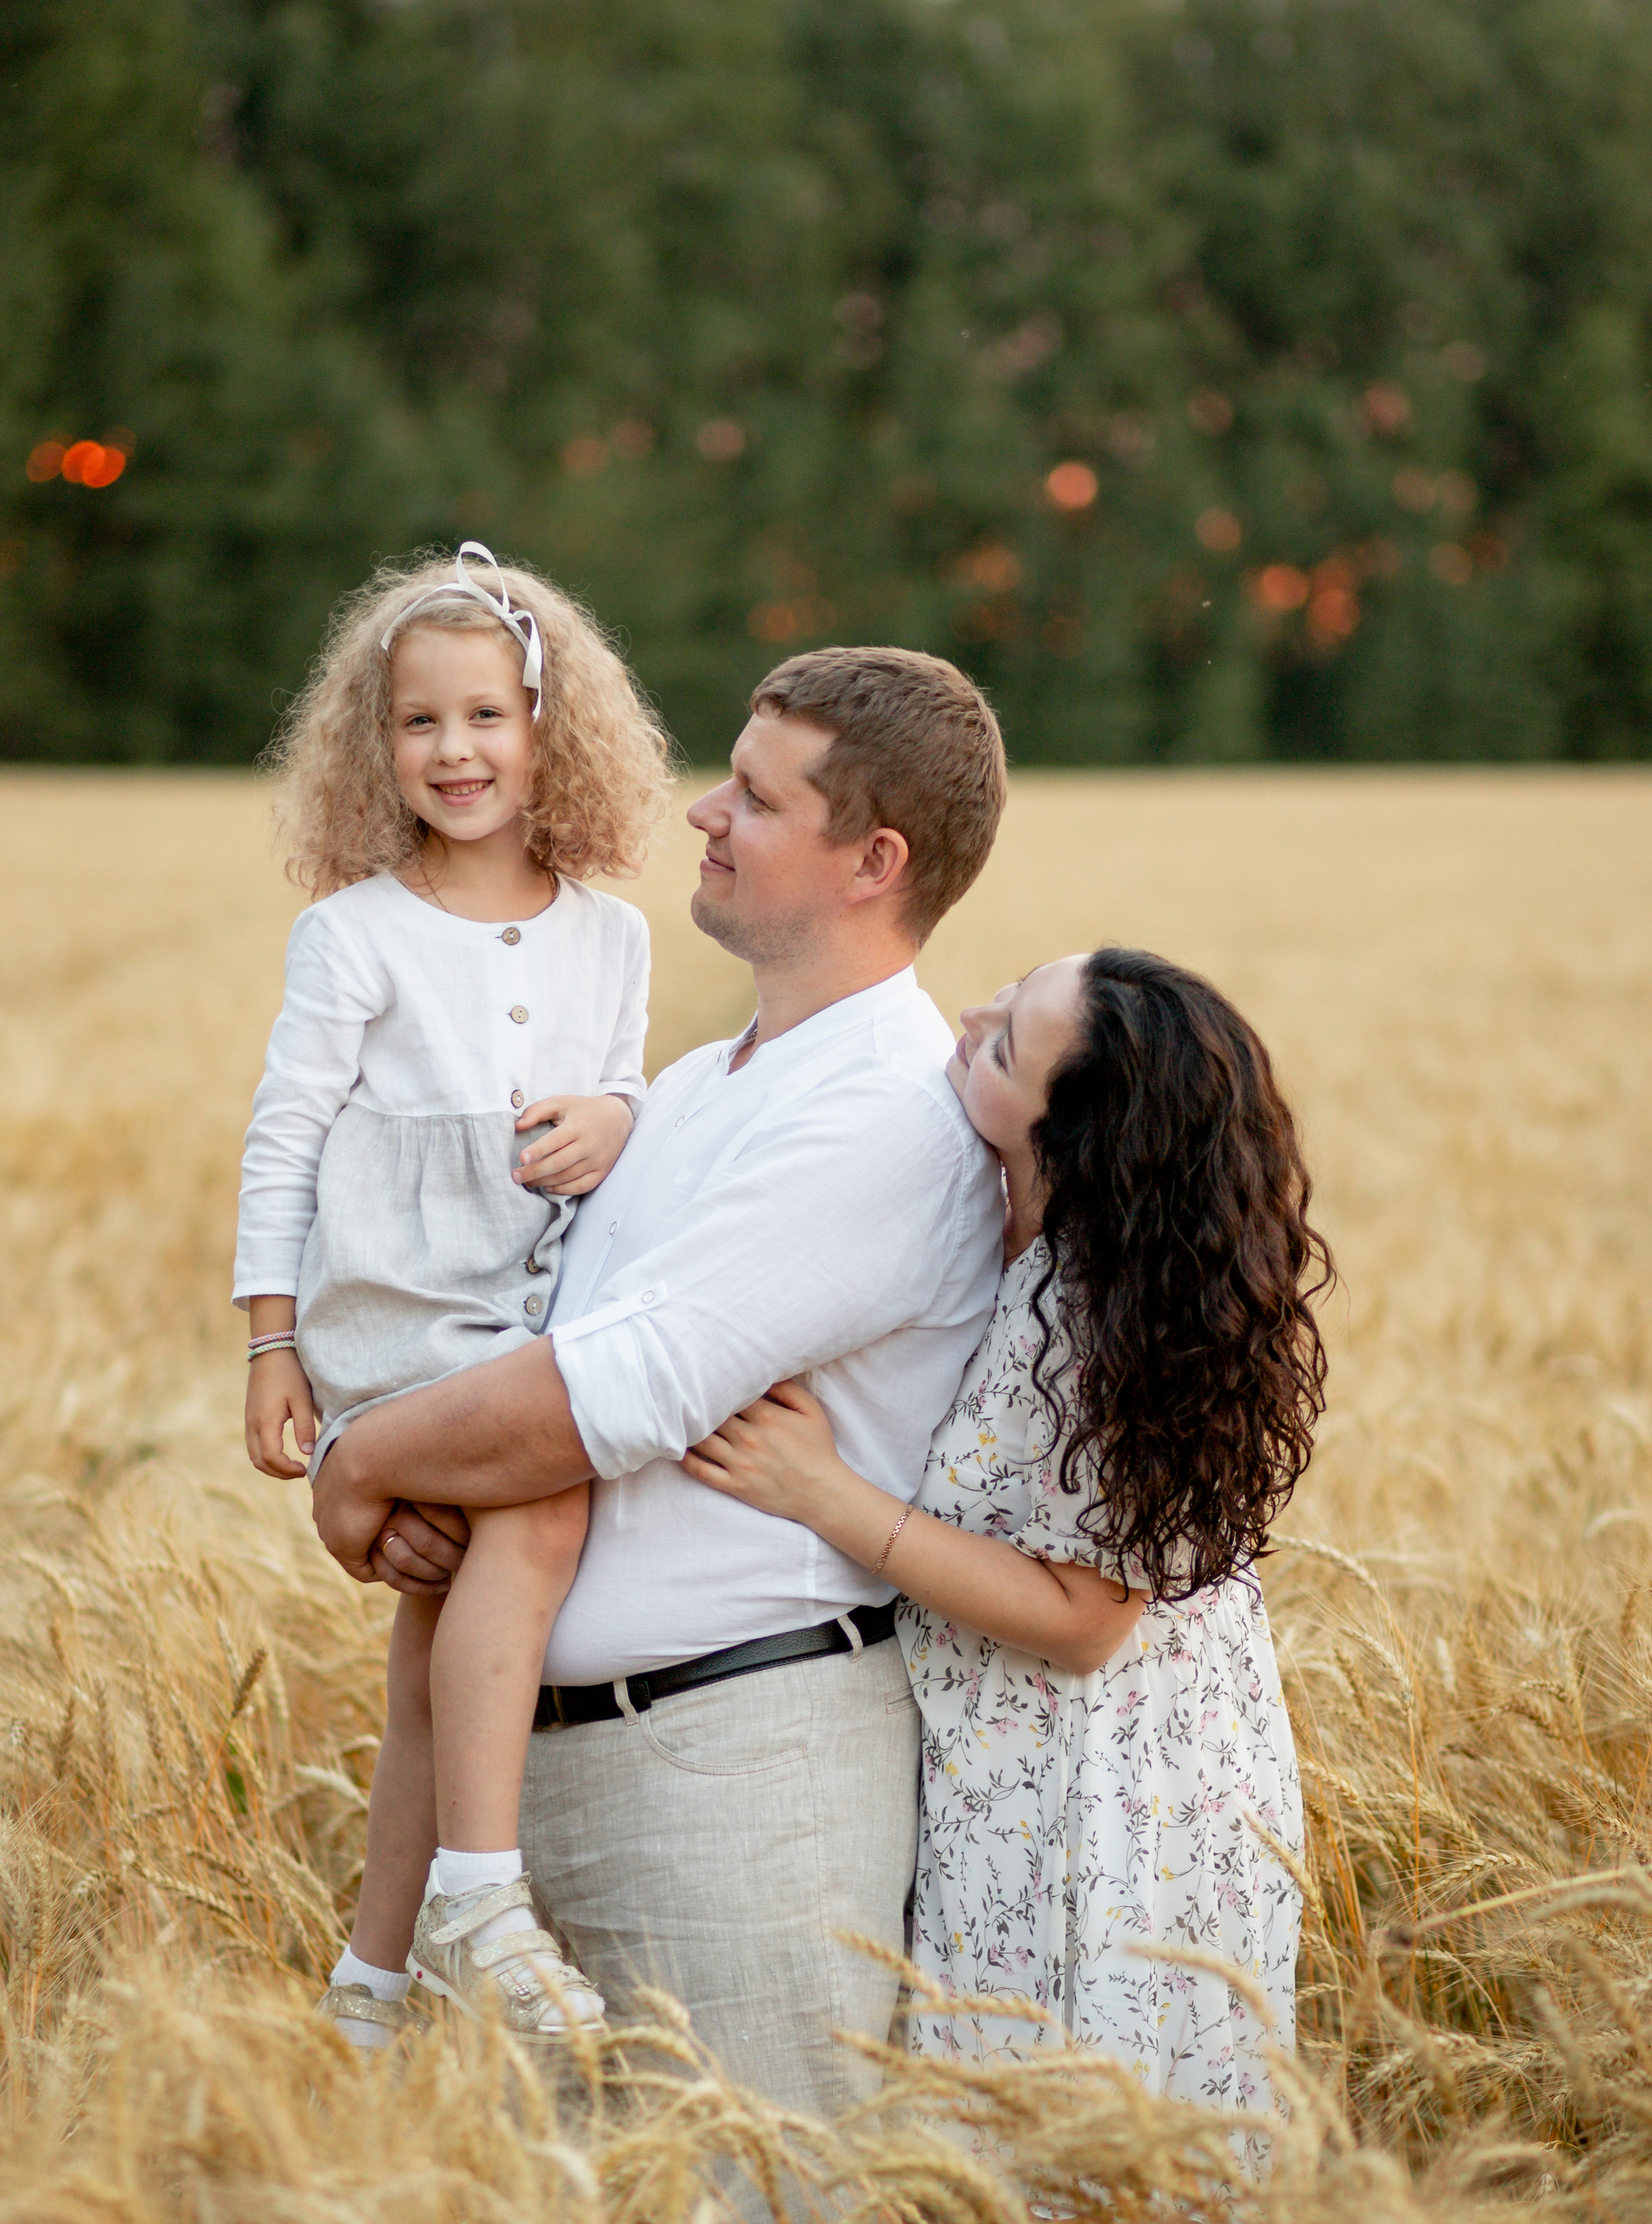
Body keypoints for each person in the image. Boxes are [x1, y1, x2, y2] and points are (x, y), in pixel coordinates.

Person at [310, 646, 1008, 2115]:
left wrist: (359, 1468)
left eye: (754, 798)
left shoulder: (883, 1113)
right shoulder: (702, 1086)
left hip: (732, 1790)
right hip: (554, 1785)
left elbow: (599, 1397)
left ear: (870, 861)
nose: (703, 811)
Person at [684, 949, 1332, 2117]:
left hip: (1102, 1787)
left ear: (1069, 1132)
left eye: (1004, 1043)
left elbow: (1087, 1623)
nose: (968, 1016)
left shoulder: (1098, 1307)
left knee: (1077, 2150)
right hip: (1026, 1760)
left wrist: (828, 1497)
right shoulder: (1002, 1225)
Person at [235, 544, 670, 2047]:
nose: (455, 752)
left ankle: (371, 1979)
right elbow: (284, 1135)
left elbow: (618, 1083)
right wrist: (271, 1342)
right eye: (419, 724)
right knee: (541, 1507)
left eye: (486, 717)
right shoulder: (352, 933)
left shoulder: (610, 932)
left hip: (539, 1287)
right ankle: (482, 1897)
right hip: (399, 1302)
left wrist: (618, 1116)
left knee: (437, 1609)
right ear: (378, 745)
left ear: (549, 731)